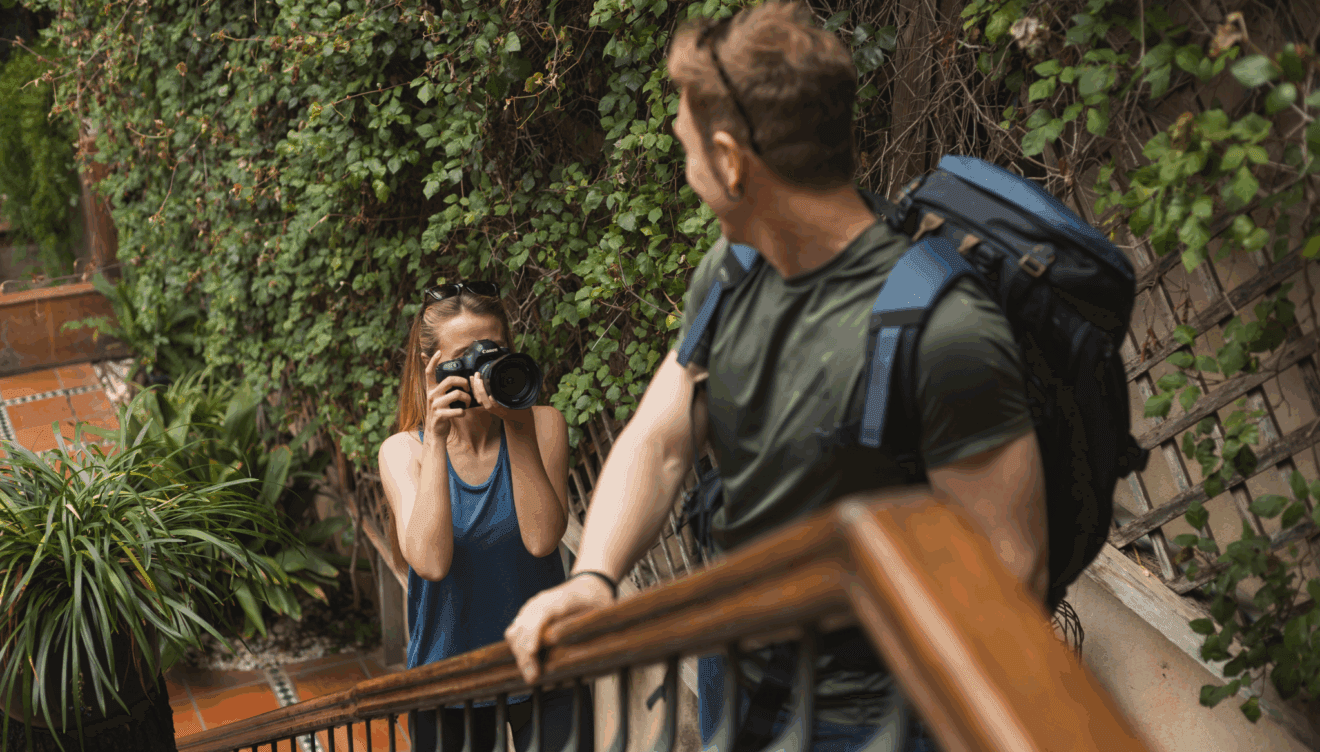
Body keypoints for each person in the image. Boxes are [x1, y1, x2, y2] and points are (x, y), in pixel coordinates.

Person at [504, 3, 1049, 752]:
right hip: (740, 672)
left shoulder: (945, 329)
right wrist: (593, 579)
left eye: (688, 147)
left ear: (731, 160)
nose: (687, 167)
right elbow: (662, 440)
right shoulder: (734, 274)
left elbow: (1011, 573)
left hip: (873, 721)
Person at [378, 281, 593, 752]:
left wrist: (516, 423)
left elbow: (541, 539)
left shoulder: (542, 424)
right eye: (466, 357)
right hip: (447, 679)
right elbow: (430, 563)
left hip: (545, 663)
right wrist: (436, 440)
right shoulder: (403, 452)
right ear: (431, 365)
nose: (482, 370)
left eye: (491, 352)